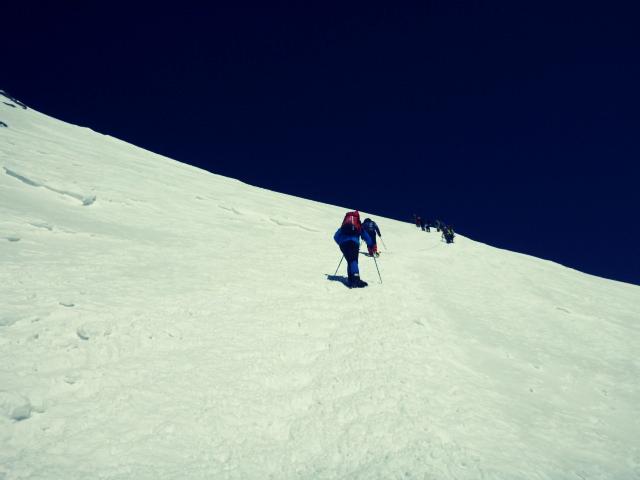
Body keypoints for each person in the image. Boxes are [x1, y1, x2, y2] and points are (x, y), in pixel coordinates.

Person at [334, 210, 374, 288]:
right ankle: (356, 279)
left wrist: (342, 242)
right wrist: (370, 245)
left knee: (350, 260)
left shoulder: (343, 226)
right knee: (353, 260)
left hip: (343, 245)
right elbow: (366, 236)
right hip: (353, 243)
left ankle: (351, 280)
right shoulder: (358, 225)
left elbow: (335, 237)